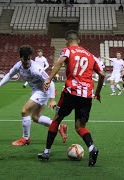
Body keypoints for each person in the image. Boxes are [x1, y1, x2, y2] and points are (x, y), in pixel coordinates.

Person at [37, 30, 105, 167]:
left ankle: (46, 152)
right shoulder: (91, 55)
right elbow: (102, 74)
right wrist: (97, 92)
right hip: (86, 95)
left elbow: (59, 62)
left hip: (70, 92)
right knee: (80, 126)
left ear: (67, 41)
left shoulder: (67, 51)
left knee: (56, 120)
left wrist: (49, 79)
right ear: (78, 41)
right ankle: (92, 148)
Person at [0, 45, 68, 146]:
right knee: (36, 117)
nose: (27, 62)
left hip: (42, 91)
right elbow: (10, 74)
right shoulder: (18, 65)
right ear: (20, 58)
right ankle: (59, 127)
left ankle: (25, 138)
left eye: (28, 59)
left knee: (24, 111)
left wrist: (52, 99)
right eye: (25, 60)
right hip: (36, 91)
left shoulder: (36, 68)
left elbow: (51, 82)